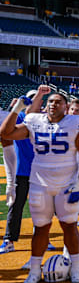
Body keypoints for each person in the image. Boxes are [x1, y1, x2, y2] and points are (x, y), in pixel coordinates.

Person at [0, 90, 79, 283]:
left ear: (66, 107)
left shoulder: (75, 123)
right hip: (39, 182)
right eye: (50, 101)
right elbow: (5, 133)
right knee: (40, 228)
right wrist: (17, 109)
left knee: (69, 226)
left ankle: (76, 267)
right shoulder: (34, 120)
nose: (53, 104)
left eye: (58, 102)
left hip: (66, 183)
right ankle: (34, 270)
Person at [0, 88, 45, 254]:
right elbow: (5, 133)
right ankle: (9, 240)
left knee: (41, 207)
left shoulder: (45, 120)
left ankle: (41, 238)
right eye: (31, 99)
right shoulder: (19, 118)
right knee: (16, 206)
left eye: (37, 100)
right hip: (22, 170)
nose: (34, 103)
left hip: (41, 171)